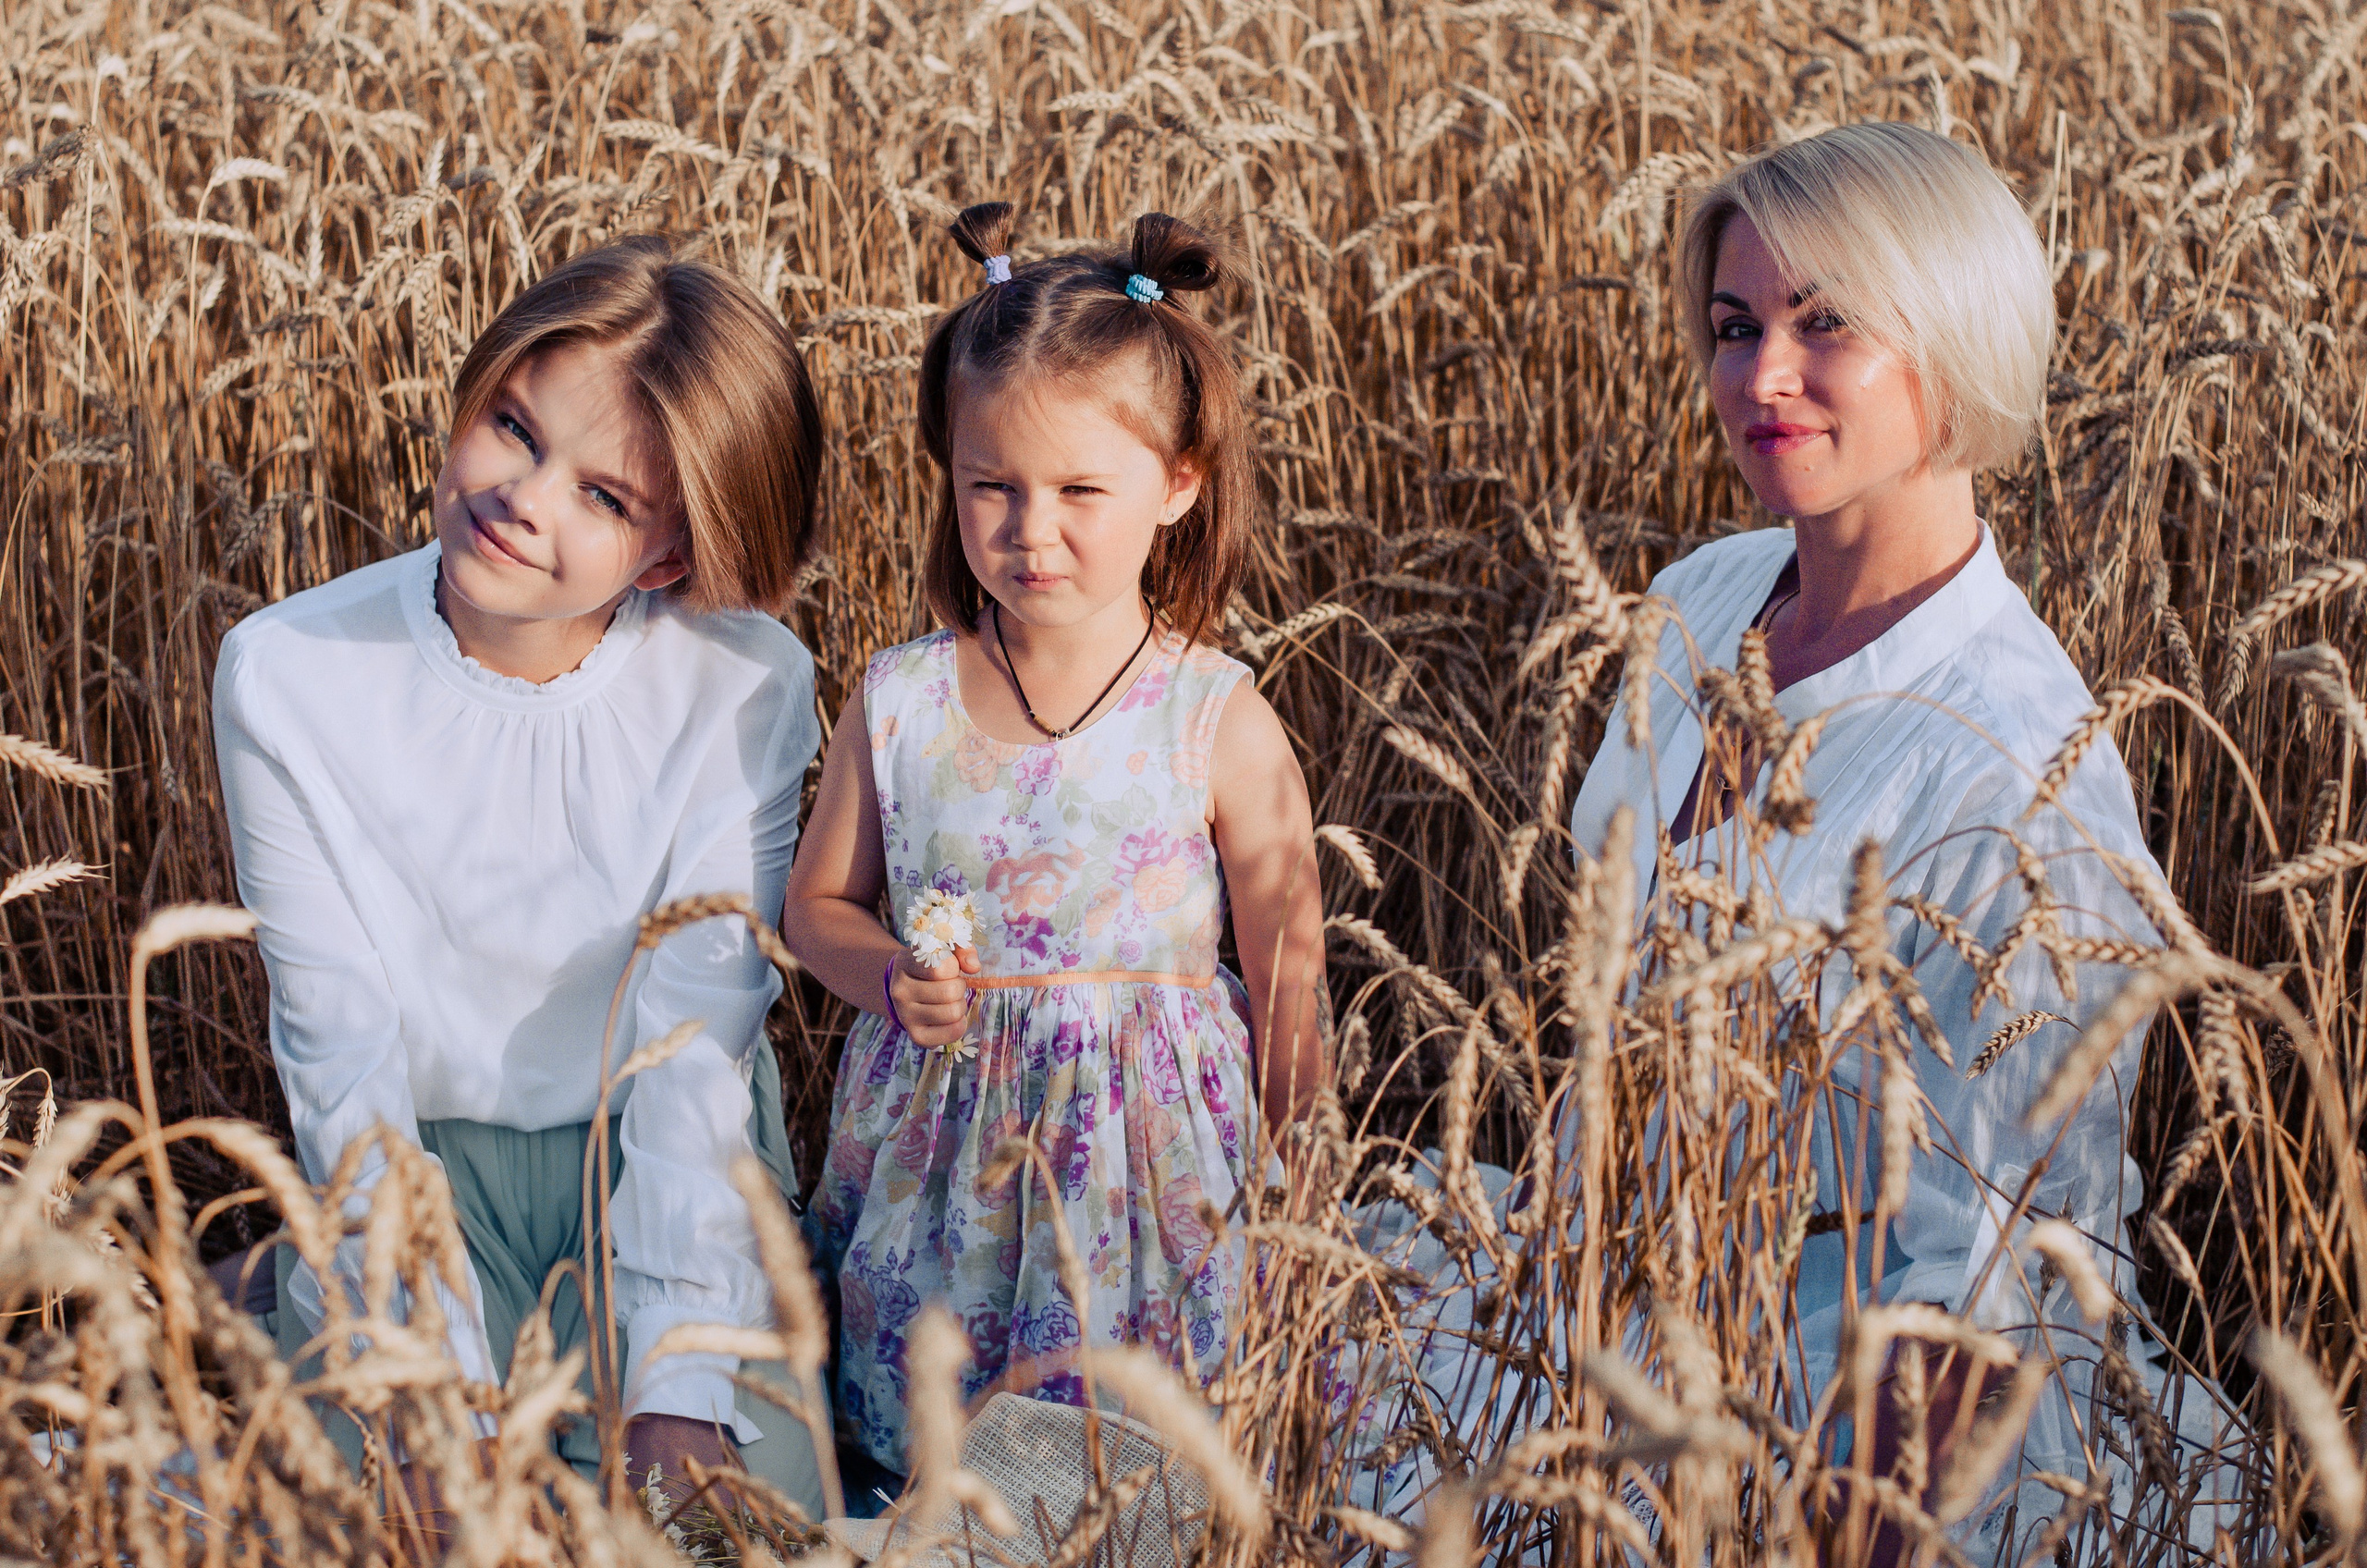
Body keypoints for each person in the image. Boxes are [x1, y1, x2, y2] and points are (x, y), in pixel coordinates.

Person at [1564, 124, 2237, 1561]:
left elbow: (2004, 1273)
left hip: (1838, 1407)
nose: (1762, 378)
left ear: (1955, 338)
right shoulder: (1704, 596)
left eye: (1827, 325)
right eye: (1735, 327)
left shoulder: (2014, 768)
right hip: (1590, 1302)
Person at [211, 237, 831, 1520]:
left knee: (735, 1526)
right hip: (421, 1173)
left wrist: (674, 1379)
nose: (524, 498)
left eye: (603, 495)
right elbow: (340, 1047)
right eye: (514, 428)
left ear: (668, 557)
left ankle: (264, 1295)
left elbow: (695, 1041)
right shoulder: (287, 675)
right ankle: (294, 1293)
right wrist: (424, 1386)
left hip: (666, 1157)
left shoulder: (743, 683)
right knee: (400, 1520)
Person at [783, 203, 1326, 1494]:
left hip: (1148, 1185)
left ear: (1178, 485)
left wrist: (1307, 1211)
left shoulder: (1217, 718)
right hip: (945, 1176)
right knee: (937, 1477)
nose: (1033, 529)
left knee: (1137, 1480)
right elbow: (816, 909)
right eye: (994, 487)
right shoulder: (902, 700)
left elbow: (1289, 987)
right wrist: (886, 976)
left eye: (1083, 490)